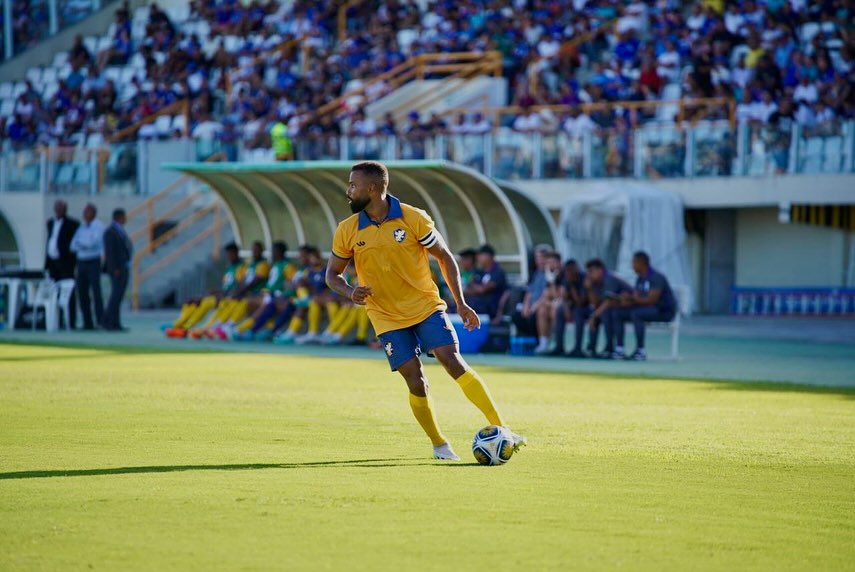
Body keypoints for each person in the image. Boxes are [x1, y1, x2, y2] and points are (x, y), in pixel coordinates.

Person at [325, 161, 525, 461]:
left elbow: (444, 257)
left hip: (424, 305)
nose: (348, 191)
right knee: (415, 380)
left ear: (373, 188)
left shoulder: (413, 217)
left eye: (353, 185)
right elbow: (332, 275)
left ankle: (502, 428)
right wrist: (350, 291)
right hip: (385, 315)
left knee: (452, 360)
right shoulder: (347, 229)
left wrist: (461, 302)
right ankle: (439, 445)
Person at [610, 251, 676, 361]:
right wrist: (624, 299)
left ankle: (640, 351)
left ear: (641, 263)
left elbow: (652, 300)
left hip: (663, 311)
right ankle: (619, 349)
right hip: (648, 309)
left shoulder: (656, 277)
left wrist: (634, 299)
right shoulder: (640, 278)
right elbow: (638, 297)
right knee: (618, 313)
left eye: (633, 263)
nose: (632, 266)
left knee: (637, 314)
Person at [585, 259, 633, 358]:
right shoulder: (595, 282)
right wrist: (589, 289)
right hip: (614, 308)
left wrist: (594, 316)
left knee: (604, 314)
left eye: (592, 271)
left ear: (600, 270)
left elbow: (608, 302)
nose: (590, 274)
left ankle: (612, 348)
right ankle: (592, 348)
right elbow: (595, 303)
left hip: (631, 307)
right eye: (588, 272)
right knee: (598, 313)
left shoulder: (609, 279)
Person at [45, 199, 80, 329]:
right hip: (53, 263)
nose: (59, 210)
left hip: (65, 263)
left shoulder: (73, 224)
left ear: (65, 209)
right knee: (54, 292)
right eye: (57, 208)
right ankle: (57, 320)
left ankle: (71, 321)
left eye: (61, 208)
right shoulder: (50, 223)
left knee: (69, 292)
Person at [70, 203, 105, 330]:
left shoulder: (99, 226)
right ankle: (87, 322)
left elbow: (93, 243)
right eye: (84, 212)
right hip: (81, 263)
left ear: (93, 213)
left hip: (93, 261)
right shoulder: (82, 227)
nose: (85, 215)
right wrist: (84, 244)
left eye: (87, 212)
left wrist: (83, 244)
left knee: (96, 292)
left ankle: (101, 321)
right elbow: (73, 245)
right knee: (82, 292)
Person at [548, 259, 586, 357]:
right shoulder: (566, 279)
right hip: (572, 305)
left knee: (578, 313)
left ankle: (578, 348)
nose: (569, 273)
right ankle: (559, 346)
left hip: (585, 306)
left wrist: (572, 286)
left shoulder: (584, 278)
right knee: (559, 311)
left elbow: (580, 301)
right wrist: (566, 310)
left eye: (571, 270)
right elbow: (563, 297)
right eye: (567, 271)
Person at [103, 208, 133, 331]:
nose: (126, 219)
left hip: (123, 267)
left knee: (119, 296)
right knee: (115, 296)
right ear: (119, 217)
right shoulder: (110, 232)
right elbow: (110, 252)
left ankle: (115, 323)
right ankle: (107, 321)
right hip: (117, 269)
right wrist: (114, 268)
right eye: (124, 216)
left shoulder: (120, 231)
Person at [465, 244, 507, 317]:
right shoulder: (480, 272)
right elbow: (468, 288)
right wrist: (476, 287)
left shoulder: (497, 272)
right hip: (477, 302)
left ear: (489, 256)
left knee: (471, 303)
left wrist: (475, 287)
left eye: (481, 255)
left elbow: (482, 290)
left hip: (492, 306)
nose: (478, 258)